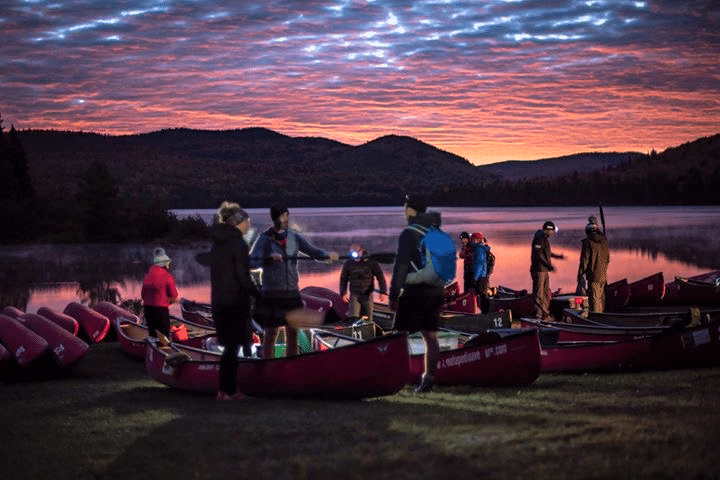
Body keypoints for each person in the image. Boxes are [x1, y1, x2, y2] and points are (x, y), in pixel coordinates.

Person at [250, 204, 339, 358]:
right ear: (275, 218)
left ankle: (291, 365)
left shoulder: (294, 238)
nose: (285, 219)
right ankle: (267, 366)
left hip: (292, 293)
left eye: (287, 216)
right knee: (271, 333)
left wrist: (328, 256)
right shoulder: (264, 239)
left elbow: (313, 252)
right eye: (282, 216)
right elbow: (251, 263)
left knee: (293, 333)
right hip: (271, 294)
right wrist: (268, 259)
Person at [389, 194, 445, 394]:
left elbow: (401, 266)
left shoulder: (409, 233)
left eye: (405, 208)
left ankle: (394, 378)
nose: (404, 212)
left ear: (411, 210)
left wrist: (393, 295)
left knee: (399, 335)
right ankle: (428, 378)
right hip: (436, 290)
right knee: (430, 336)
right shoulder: (435, 229)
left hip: (415, 292)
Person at [210, 201, 259, 401]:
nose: (249, 225)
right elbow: (242, 275)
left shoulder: (217, 243)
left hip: (219, 301)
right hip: (235, 301)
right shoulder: (238, 242)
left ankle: (227, 390)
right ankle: (227, 391)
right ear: (239, 222)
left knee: (230, 348)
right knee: (233, 348)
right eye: (247, 222)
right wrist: (256, 292)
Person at [339, 243, 388, 322]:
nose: (354, 255)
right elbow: (343, 279)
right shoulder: (348, 264)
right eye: (352, 253)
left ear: (361, 251)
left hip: (367, 294)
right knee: (353, 318)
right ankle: (354, 332)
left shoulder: (371, 262)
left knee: (368, 318)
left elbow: (380, 277)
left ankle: (368, 331)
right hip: (354, 294)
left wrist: (383, 292)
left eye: (356, 252)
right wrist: (343, 293)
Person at [141, 247, 178, 339]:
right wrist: (168, 302)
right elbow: (173, 295)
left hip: (148, 309)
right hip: (161, 309)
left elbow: (143, 294)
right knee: (164, 335)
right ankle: (163, 351)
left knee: (152, 333)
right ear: (165, 264)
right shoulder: (167, 276)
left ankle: (152, 350)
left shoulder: (148, 275)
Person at [530, 221, 565, 320]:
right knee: (539, 292)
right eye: (552, 231)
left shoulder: (544, 239)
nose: (553, 233)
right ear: (548, 229)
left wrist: (558, 256)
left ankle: (545, 313)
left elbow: (547, 252)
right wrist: (549, 265)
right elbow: (538, 255)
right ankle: (538, 314)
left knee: (545, 292)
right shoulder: (539, 238)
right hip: (539, 270)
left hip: (544, 270)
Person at [578, 215, 610, 313]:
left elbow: (584, 261)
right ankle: (601, 316)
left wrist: (579, 275)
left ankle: (596, 319)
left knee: (594, 300)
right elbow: (608, 259)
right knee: (601, 299)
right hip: (603, 275)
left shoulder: (588, 243)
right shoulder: (604, 241)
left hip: (593, 275)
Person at [470, 232, 492, 313]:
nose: (471, 241)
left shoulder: (478, 249)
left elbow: (479, 265)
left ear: (476, 240)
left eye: (472, 239)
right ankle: (485, 312)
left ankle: (485, 313)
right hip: (483, 276)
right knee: (483, 295)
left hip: (480, 277)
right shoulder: (480, 248)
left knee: (482, 296)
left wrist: (475, 278)